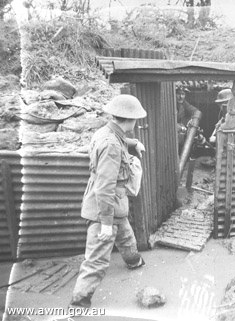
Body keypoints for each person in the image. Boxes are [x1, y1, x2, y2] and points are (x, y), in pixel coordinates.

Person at [69, 94, 147, 309]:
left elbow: (120, 140)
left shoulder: (107, 132)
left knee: (125, 235)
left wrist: (134, 143)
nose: (135, 122)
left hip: (115, 207)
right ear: (128, 119)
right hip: (105, 207)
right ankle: (79, 305)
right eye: (135, 119)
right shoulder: (111, 145)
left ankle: (134, 261)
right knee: (96, 260)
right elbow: (105, 187)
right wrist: (105, 223)